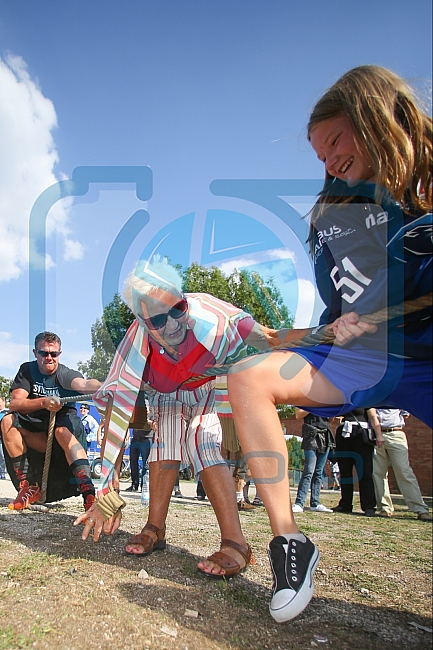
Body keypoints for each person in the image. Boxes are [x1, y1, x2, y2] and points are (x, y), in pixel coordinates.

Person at [226, 65, 432, 622]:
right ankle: (291, 544)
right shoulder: (333, 217)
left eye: (335, 141)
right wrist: (339, 321)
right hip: (364, 358)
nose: (329, 161)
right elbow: (344, 307)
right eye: (319, 155)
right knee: (248, 377)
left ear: (376, 118)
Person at [75, 256, 295, 578]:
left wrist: (331, 334)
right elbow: (119, 410)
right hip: (165, 396)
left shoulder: (211, 316)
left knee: (201, 440)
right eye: (159, 319)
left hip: (208, 389)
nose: (173, 323)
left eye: (177, 308)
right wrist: (110, 488)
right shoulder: (136, 346)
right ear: (143, 321)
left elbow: (271, 337)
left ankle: (236, 543)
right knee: (164, 444)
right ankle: (155, 528)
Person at [1, 331, 101, 510]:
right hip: (38, 437)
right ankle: (29, 488)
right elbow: (15, 403)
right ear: (35, 353)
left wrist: (105, 386)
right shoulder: (27, 371)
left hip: (64, 437)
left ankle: (89, 495)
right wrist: (43, 402)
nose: (49, 357)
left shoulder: (65, 374)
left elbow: (85, 385)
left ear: (59, 354)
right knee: (7, 421)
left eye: (53, 354)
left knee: (61, 431)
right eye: (43, 353)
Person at [373, 409, 432, 522]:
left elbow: (405, 415)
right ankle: (385, 507)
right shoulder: (374, 395)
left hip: (395, 433)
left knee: (404, 471)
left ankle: (420, 509)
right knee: (378, 472)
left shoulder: (396, 396)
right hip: (375, 435)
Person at [333, 408, 383, 516]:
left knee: (365, 472)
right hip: (343, 434)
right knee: (345, 471)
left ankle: (369, 506)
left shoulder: (364, 398)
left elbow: (373, 416)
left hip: (361, 434)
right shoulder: (343, 400)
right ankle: (345, 503)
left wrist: (379, 435)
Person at [291, 409, 335, 513]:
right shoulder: (308, 400)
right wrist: (314, 406)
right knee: (308, 471)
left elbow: (330, 420)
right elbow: (298, 415)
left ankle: (315, 503)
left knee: (318, 472)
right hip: (311, 434)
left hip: (325, 434)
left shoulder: (327, 402)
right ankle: (299, 503)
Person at [0, 397, 8, 479]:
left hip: (4, 437)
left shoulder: (7, 412)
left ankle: (3, 473)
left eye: (0, 402)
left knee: (3, 456)